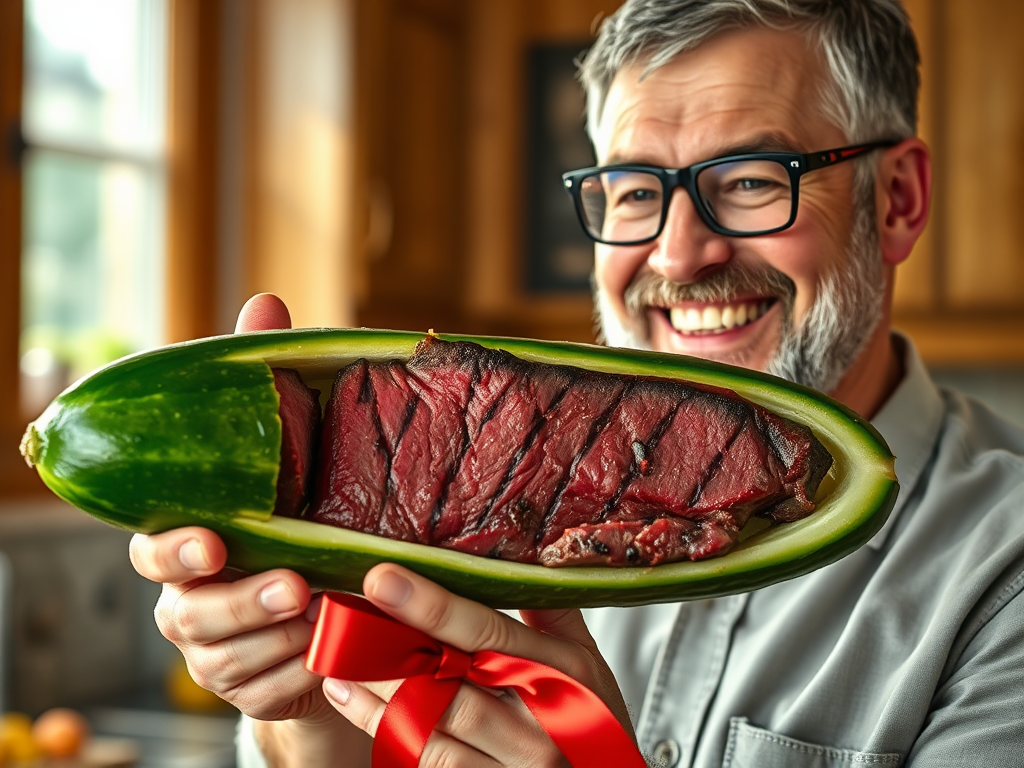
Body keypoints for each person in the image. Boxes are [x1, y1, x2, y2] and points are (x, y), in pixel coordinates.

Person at [128, 0, 1024, 766]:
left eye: (753, 181)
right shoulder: (481, 485)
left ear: (897, 200)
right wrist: (316, 707)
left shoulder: (1004, 577)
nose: (678, 254)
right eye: (635, 192)